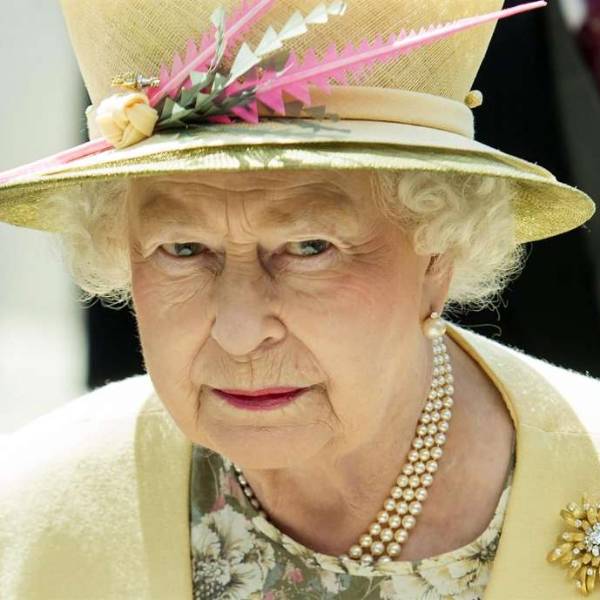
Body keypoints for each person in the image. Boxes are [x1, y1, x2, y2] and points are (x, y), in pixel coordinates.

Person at [0, 1, 599, 598]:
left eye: (310, 247)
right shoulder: (29, 512)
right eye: (183, 248)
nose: (239, 332)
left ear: (438, 252)